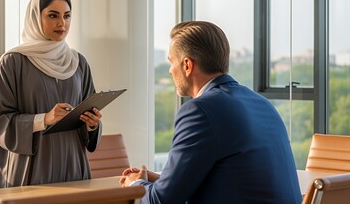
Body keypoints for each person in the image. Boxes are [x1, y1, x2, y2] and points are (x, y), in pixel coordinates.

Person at [120, 21, 302, 203]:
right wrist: (160, 180)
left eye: (171, 62)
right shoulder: (263, 104)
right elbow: (228, 181)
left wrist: (136, 185)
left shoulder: (199, 111)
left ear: (187, 65)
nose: (169, 71)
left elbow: (162, 201)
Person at [0, 0, 102, 188]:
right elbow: (0, 119)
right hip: (32, 166)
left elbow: (87, 108)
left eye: (67, 16)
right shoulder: (13, 62)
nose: (62, 23)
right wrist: (44, 119)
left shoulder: (78, 62)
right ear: (35, 18)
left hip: (73, 164)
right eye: (52, 16)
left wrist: (92, 124)